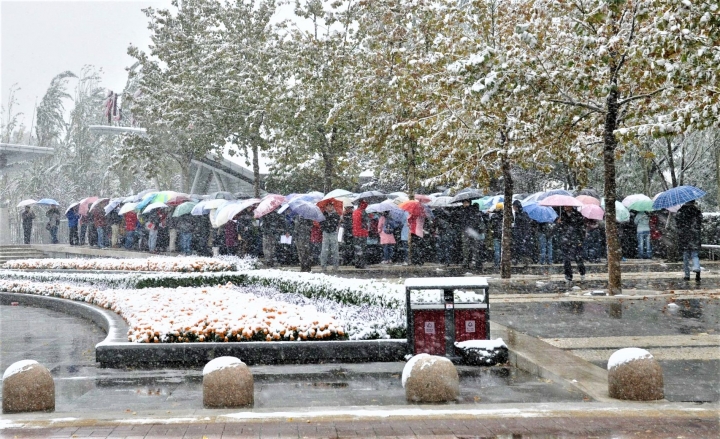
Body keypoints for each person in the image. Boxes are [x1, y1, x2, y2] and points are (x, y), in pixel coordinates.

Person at [557, 205, 586, 283]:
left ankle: (582, 273)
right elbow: (559, 229)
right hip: (565, 240)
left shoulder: (577, 215)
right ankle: (568, 276)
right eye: (564, 206)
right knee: (566, 259)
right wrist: (559, 223)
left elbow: (581, 228)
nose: (565, 207)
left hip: (575, 240)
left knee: (578, 258)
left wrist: (580, 239)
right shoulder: (561, 215)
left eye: (567, 206)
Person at [675, 200, 702, 282]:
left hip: (684, 236)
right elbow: (699, 222)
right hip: (694, 235)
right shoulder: (696, 211)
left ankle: (687, 275)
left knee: (685, 256)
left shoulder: (681, 211)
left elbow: (677, 224)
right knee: (695, 254)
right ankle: (697, 269)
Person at [458, 199, 485, 269]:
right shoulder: (462, 211)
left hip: (473, 231)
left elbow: (477, 221)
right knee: (466, 247)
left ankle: (473, 261)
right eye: (464, 203)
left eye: (466, 203)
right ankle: (468, 261)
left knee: (473, 247)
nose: (465, 204)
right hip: (467, 230)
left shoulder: (473, 211)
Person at [320, 203, 341, 271]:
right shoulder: (323, 214)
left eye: (331, 206)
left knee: (335, 250)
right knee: (324, 250)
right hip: (326, 233)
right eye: (328, 206)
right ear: (326, 207)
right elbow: (321, 224)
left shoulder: (336, 215)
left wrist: (329, 221)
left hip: (333, 233)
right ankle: (323, 266)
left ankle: (335, 266)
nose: (329, 207)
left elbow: (335, 223)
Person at [511, 200, 532, 266]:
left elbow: (524, 226)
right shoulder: (520, 213)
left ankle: (522, 261)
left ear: (516, 206)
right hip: (521, 234)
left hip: (522, 234)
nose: (513, 208)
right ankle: (520, 260)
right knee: (520, 248)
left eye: (513, 206)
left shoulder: (521, 214)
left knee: (521, 248)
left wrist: (523, 234)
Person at [352, 200, 370, 269]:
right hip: (362, 233)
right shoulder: (363, 212)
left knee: (357, 249)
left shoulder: (355, 212)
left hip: (355, 232)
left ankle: (357, 263)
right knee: (363, 249)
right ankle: (362, 264)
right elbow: (365, 223)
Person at [489, 204, 503, 268]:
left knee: (497, 250)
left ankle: (497, 264)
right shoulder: (505, 215)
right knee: (502, 250)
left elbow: (491, 225)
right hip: (503, 234)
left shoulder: (494, 216)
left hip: (496, 234)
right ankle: (502, 263)